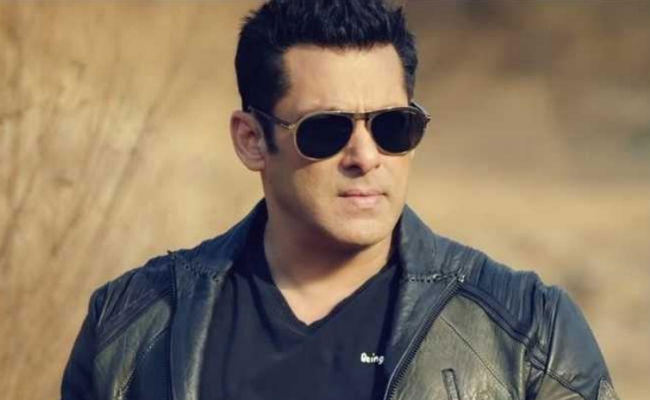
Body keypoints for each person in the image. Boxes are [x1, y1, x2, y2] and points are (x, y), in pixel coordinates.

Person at [61, 1, 620, 399]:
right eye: (326, 131)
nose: (365, 156)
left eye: (392, 126)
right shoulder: (132, 324)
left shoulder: (528, 334)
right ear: (251, 140)